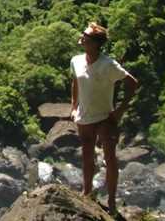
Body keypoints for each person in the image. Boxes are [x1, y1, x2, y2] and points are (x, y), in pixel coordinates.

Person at [70, 22, 139, 216]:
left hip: (105, 117)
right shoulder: (76, 60)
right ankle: (87, 193)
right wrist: (74, 106)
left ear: (96, 43)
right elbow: (75, 81)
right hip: (84, 116)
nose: (82, 38)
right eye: (83, 35)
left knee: (110, 158)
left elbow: (132, 83)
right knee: (86, 156)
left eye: (86, 36)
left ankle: (111, 202)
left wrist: (120, 110)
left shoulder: (108, 65)